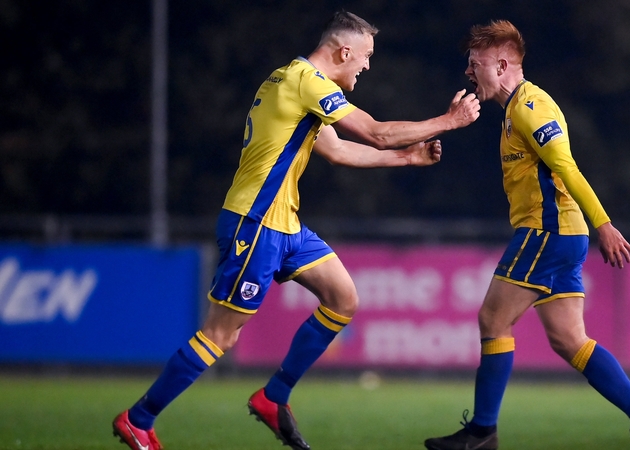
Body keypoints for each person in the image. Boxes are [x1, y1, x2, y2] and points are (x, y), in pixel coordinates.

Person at [112, 10, 480, 450]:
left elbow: (339, 150)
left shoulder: (293, 82)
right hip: (256, 222)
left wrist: (407, 158)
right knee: (221, 334)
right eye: (365, 56)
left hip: (285, 225)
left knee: (343, 299)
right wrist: (448, 121)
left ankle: (274, 397)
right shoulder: (307, 81)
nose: (366, 66)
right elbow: (377, 133)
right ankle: (139, 419)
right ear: (344, 51)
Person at [423, 20, 630, 450]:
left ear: (501, 65)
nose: (469, 72)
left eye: (475, 63)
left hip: (548, 232)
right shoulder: (513, 110)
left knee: (493, 320)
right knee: (569, 339)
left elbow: (566, 166)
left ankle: (482, 433)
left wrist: (605, 226)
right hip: (561, 235)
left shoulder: (530, 108)